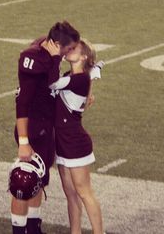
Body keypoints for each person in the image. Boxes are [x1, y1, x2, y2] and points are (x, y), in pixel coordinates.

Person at [12, 21, 80, 234]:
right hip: (32, 127)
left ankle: (33, 227)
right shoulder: (33, 58)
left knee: (39, 179)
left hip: (46, 124)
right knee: (23, 182)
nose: (71, 52)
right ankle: (18, 230)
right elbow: (22, 104)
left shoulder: (52, 48)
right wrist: (23, 142)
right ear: (57, 44)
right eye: (69, 49)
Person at [48, 39, 104, 234]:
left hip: (75, 142)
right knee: (70, 194)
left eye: (74, 49)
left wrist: (55, 57)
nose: (68, 50)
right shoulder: (72, 76)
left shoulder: (80, 80)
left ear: (83, 56)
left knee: (84, 192)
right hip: (62, 142)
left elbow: (52, 83)